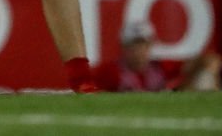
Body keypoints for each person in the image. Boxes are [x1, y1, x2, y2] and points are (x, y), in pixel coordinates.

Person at [93, 21, 221, 92]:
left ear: (150, 45)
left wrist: (207, 71)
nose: (139, 50)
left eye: (143, 44)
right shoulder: (111, 71)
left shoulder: (160, 67)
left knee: (204, 78)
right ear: (123, 47)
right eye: (133, 45)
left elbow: (209, 60)